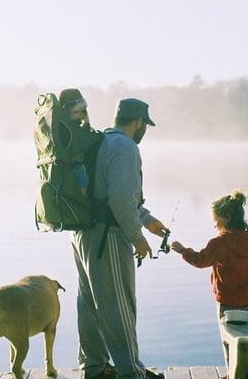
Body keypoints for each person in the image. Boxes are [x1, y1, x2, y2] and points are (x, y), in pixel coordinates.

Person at [68, 93, 168, 379]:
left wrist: (147, 220)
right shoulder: (125, 147)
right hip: (108, 237)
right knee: (118, 305)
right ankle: (130, 372)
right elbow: (121, 199)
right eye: (144, 124)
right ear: (138, 122)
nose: (144, 130)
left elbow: (107, 193)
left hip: (84, 234)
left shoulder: (101, 140)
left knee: (89, 305)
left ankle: (95, 367)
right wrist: (137, 236)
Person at [170, 189, 248, 369]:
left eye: (216, 219)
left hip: (227, 302)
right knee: (246, 340)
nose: (214, 224)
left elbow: (200, 260)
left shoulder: (219, 243)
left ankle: (232, 373)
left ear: (227, 217)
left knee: (228, 341)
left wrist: (183, 251)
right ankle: (246, 372)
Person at [59, 89, 92, 197]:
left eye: (82, 111)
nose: (80, 115)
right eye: (76, 112)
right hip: (72, 176)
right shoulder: (66, 130)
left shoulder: (67, 127)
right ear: (66, 112)